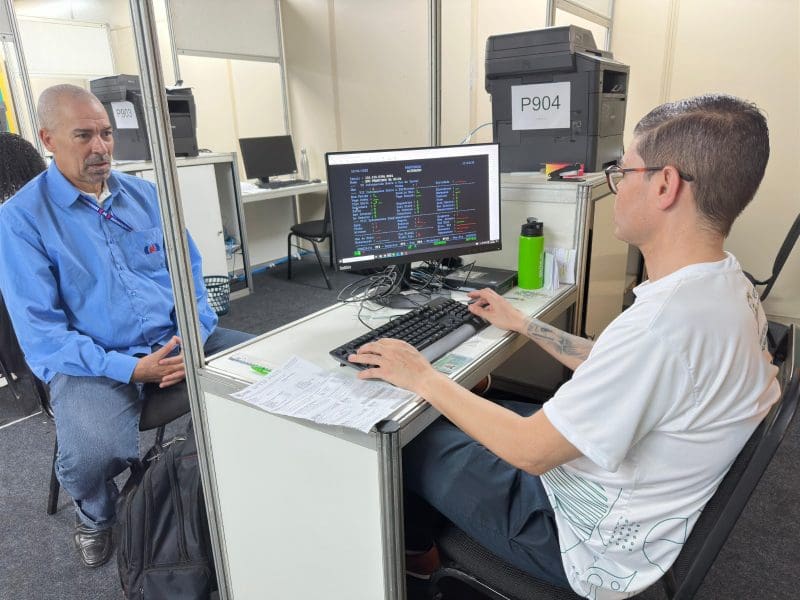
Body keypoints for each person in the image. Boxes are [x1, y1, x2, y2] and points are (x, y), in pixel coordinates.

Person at [349, 94, 780, 599]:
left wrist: (420, 374)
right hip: (632, 496)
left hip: (580, 535)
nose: (616, 186)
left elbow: (530, 452)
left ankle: (417, 566)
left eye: (623, 172)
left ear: (664, 186)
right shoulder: (726, 286)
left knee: (409, 438)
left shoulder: (663, 326)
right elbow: (616, 366)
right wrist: (526, 325)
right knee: (456, 410)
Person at [0, 84, 252, 569]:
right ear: (48, 139)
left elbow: (191, 279)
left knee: (270, 373)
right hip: (95, 362)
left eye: (106, 134)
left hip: (176, 342)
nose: (100, 147)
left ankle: (219, 477)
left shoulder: (146, 196)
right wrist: (133, 369)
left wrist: (192, 337)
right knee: (94, 454)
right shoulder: (20, 220)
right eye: (83, 136)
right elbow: (43, 335)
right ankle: (95, 514)